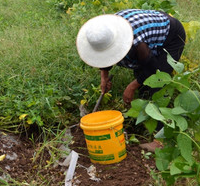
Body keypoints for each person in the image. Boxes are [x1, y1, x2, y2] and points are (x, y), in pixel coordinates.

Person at [76, 9, 186, 152]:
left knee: (159, 83)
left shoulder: (136, 43)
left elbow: (153, 69)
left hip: (171, 35)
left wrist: (132, 86)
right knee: (144, 86)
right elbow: (105, 54)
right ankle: (149, 120)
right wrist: (104, 76)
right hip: (147, 34)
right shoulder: (104, 31)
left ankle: (161, 141)